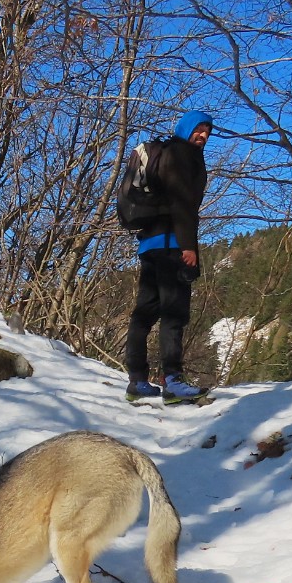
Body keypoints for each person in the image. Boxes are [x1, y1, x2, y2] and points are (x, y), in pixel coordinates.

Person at [124, 110, 213, 403]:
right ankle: (172, 381)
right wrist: (189, 246)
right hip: (172, 244)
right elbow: (182, 202)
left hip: (150, 244)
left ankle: (137, 381)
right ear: (186, 129)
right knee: (174, 313)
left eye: (207, 132)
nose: (202, 136)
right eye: (198, 130)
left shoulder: (166, 154)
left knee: (145, 312)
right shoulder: (181, 154)